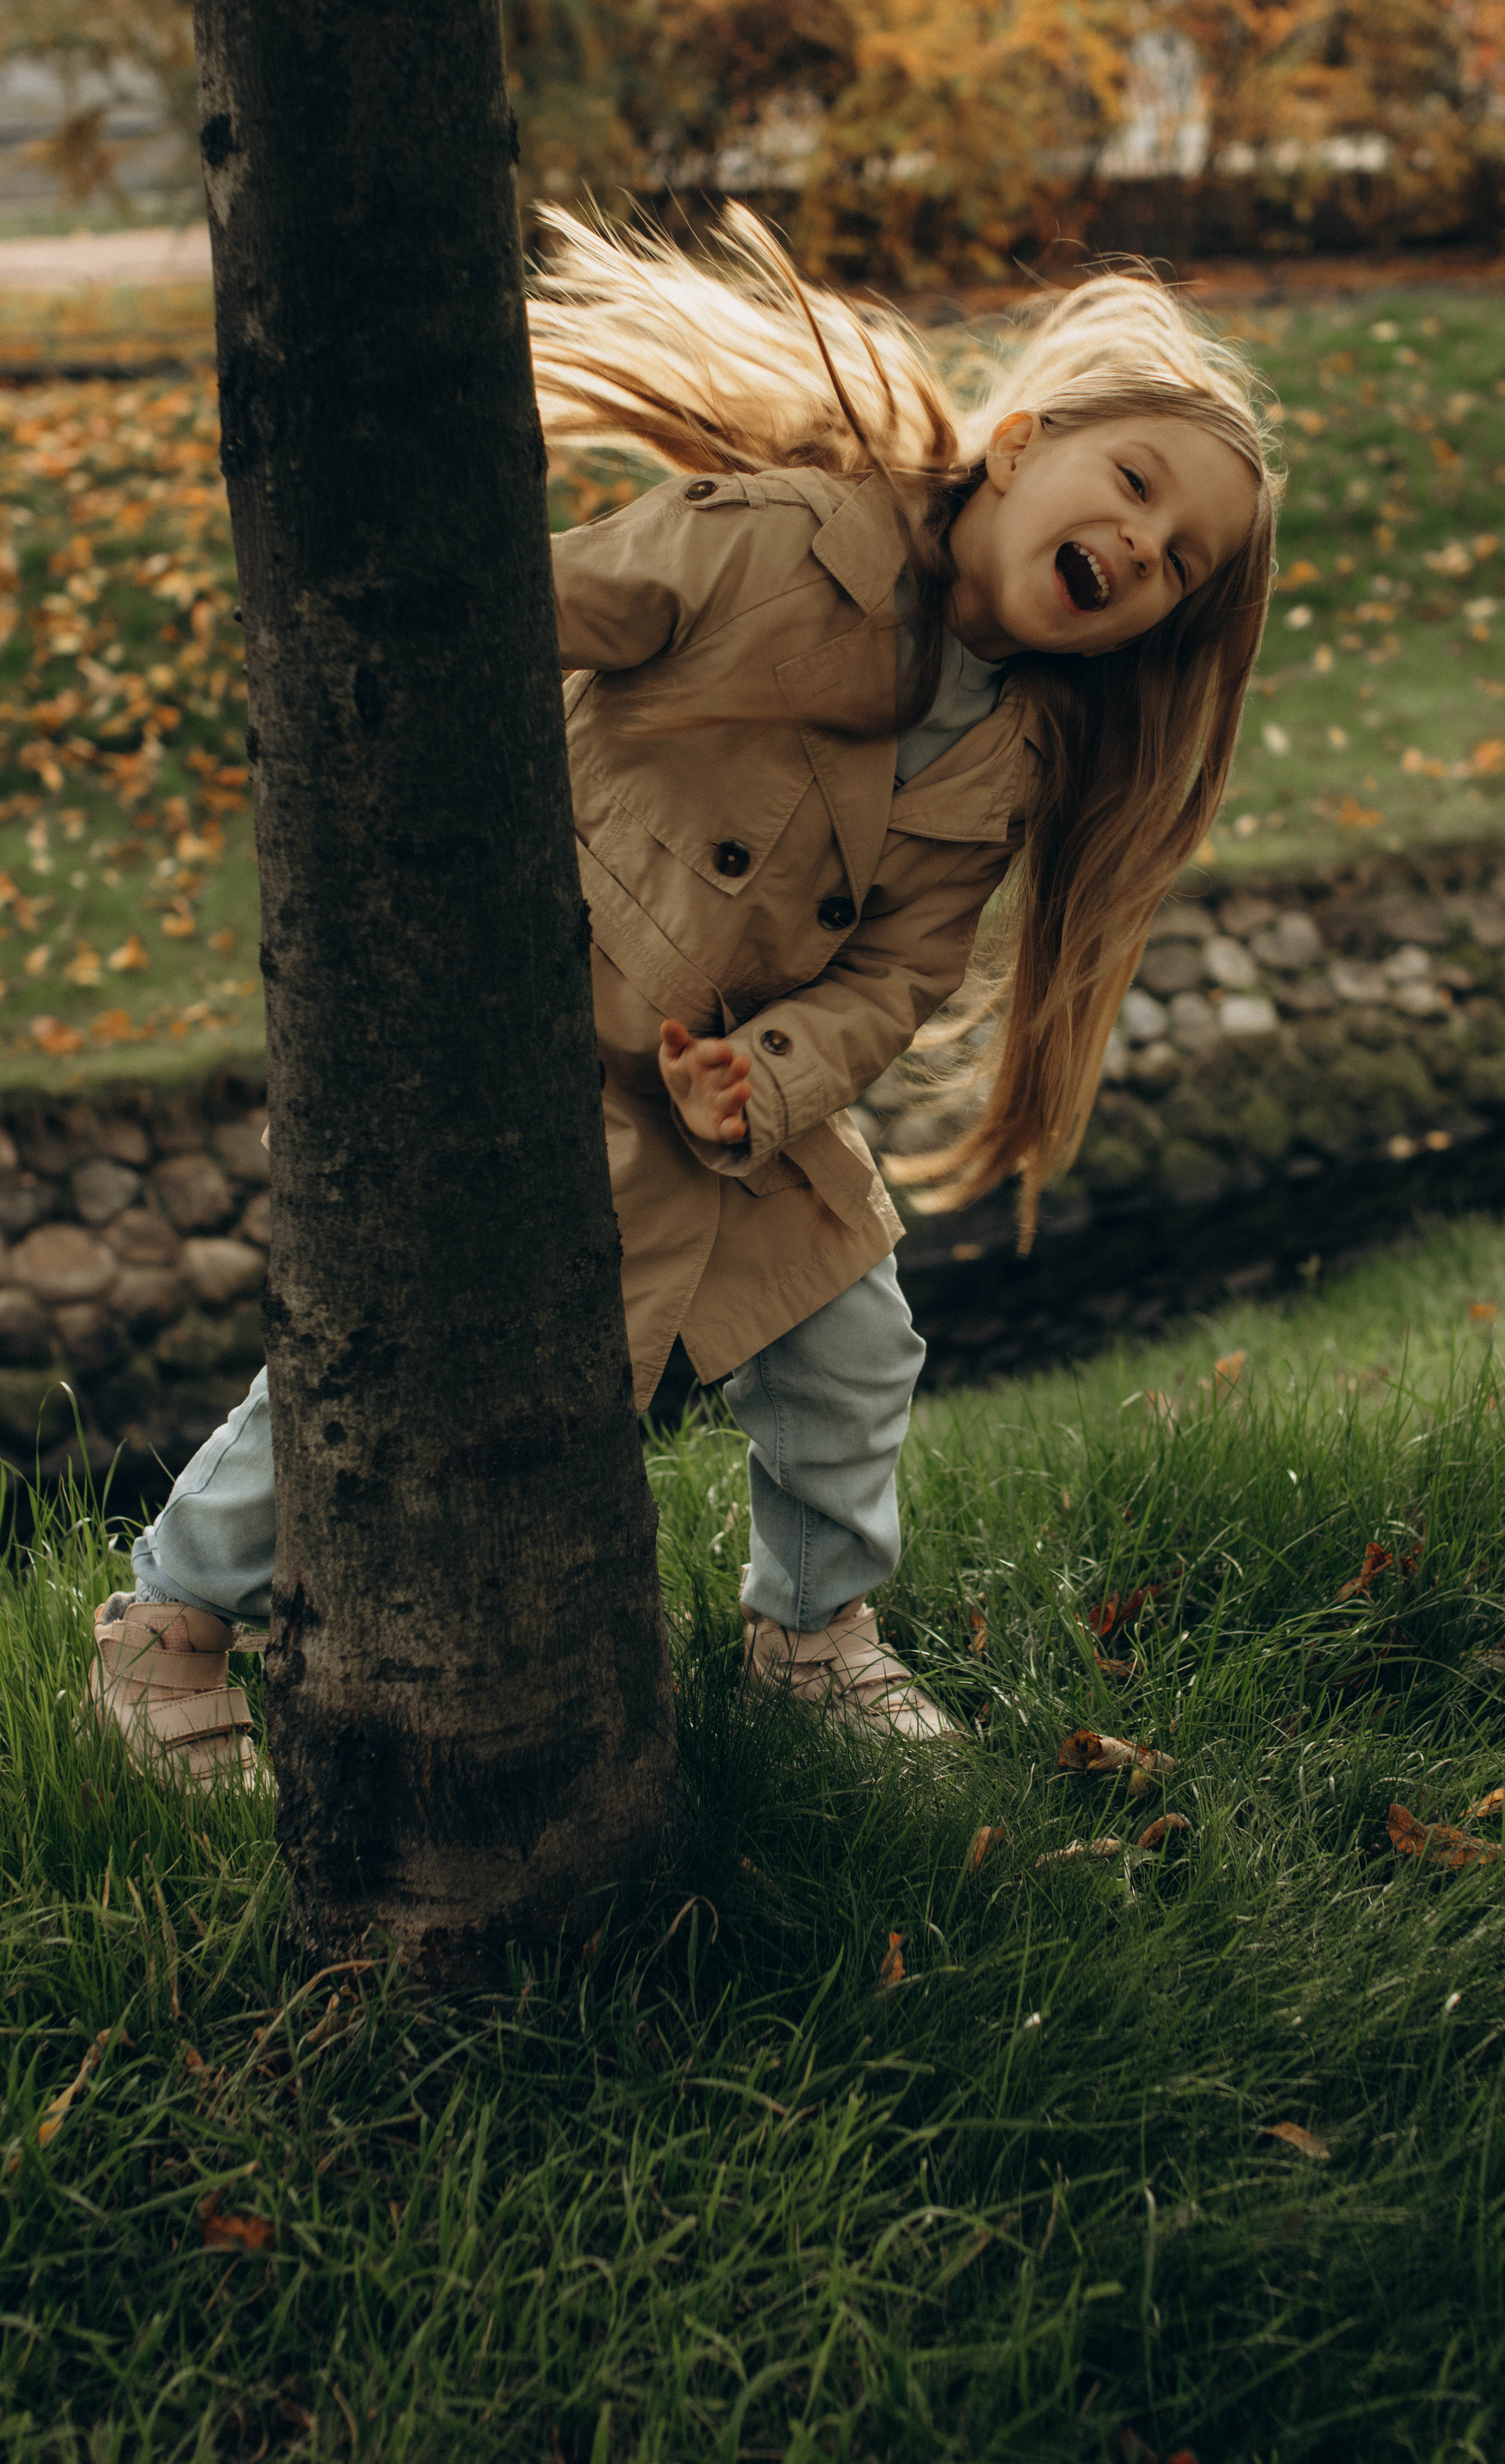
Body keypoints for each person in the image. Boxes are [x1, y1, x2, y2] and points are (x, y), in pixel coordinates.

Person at [89, 207, 1281, 1784]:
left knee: (856, 1344)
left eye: (1178, 562)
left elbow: (899, 972)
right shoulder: (778, 543)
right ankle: (171, 1621)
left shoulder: (1011, 754)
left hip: (723, 1095)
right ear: (1017, 446)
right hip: (535, 1037)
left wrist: (769, 1074)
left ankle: (813, 1637)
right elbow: (519, 612)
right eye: (1132, 484)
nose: (1140, 544)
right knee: (397, 1349)